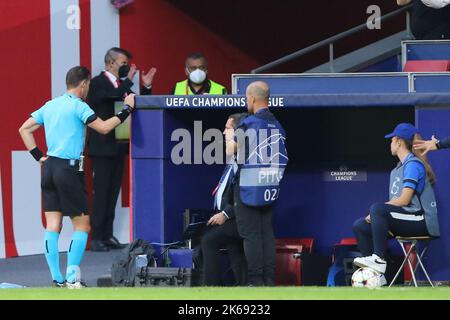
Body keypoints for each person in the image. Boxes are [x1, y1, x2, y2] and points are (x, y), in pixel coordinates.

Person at [18, 66, 136, 288]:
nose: (88, 88)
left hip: (50, 167)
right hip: (69, 169)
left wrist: (38, 156)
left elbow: (24, 129)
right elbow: (103, 128)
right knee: (82, 226)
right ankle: (72, 278)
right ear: (83, 84)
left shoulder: (50, 105)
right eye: (88, 85)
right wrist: (126, 110)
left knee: (53, 225)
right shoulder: (79, 106)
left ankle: (57, 279)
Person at [352, 123, 440, 285]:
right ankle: (376, 277)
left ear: (399, 142)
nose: (390, 143)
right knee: (360, 225)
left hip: (421, 220)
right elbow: (396, 205)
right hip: (406, 218)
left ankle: (378, 260)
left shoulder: (413, 164)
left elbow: (404, 200)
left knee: (377, 208)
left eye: (392, 140)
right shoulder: (397, 169)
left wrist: (377, 212)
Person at [88, 47, 156, 251]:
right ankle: (97, 237)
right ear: (110, 63)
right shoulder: (98, 83)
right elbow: (111, 97)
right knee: (101, 194)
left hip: (119, 147)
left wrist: (146, 87)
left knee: (113, 194)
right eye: (123, 63)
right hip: (102, 147)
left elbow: (135, 101)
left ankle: (107, 235)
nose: (127, 67)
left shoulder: (121, 85)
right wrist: (128, 81)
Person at [227, 81, 288, 286]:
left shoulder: (250, 123)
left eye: (246, 98)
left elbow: (229, 151)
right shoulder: (277, 124)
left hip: (248, 188)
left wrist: (227, 138)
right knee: (266, 234)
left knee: (251, 235)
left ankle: (255, 281)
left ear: (252, 98)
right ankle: (268, 280)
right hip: (269, 186)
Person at [201, 113, 248, 286]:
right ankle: (243, 286)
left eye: (227, 128)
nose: (223, 132)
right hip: (231, 216)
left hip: (242, 217)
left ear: (238, 132)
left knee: (209, 240)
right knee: (234, 247)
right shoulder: (233, 158)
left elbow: (245, 194)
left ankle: (212, 288)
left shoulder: (246, 158)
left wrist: (226, 214)